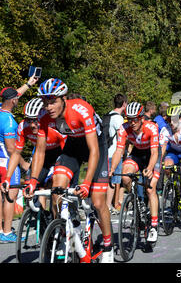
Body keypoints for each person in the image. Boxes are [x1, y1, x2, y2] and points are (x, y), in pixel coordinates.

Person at [21, 78, 113, 262]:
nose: (49, 106)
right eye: (45, 102)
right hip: (73, 145)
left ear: (63, 98)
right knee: (57, 187)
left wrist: (86, 183)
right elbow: (39, 150)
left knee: (96, 200)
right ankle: (67, 229)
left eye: (53, 101)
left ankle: (108, 246)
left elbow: (93, 150)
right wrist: (32, 181)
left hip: (97, 146)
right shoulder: (43, 117)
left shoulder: (81, 110)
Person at [109, 102, 160, 243]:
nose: (132, 123)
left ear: (142, 118)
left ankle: (154, 226)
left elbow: (155, 152)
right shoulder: (123, 129)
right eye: (129, 119)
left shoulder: (152, 128)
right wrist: (112, 169)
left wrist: (150, 168)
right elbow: (119, 151)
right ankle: (137, 200)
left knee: (151, 189)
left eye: (135, 119)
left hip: (152, 154)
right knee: (125, 175)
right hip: (137, 153)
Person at [5, 98, 66, 209]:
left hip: (59, 153)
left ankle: (58, 218)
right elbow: (16, 153)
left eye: (35, 120)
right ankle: (40, 216)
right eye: (29, 120)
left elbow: (67, 150)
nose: (32, 125)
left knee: (56, 185)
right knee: (30, 185)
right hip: (41, 156)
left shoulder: (52, 127)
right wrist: (7, 178)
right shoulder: (23, 127)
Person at [0, 75, 39, 243]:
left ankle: (1, 229)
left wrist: (28, 84)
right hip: (8, 162)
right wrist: (24, 165)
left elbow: (14, 95)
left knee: (1, 195)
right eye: (16, 99)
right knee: (10, 196)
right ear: (14, 101)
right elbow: (11, 149)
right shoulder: (9, 122)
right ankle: (7, 231)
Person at [106, 94, 127, 215]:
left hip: (106, 152)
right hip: (115, 152)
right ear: (124, 104)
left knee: (107, 179)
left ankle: (107, 205)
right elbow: (121, 136)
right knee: (113, 181)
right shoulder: (119, 119)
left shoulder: (108, 115)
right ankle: (108, 206)